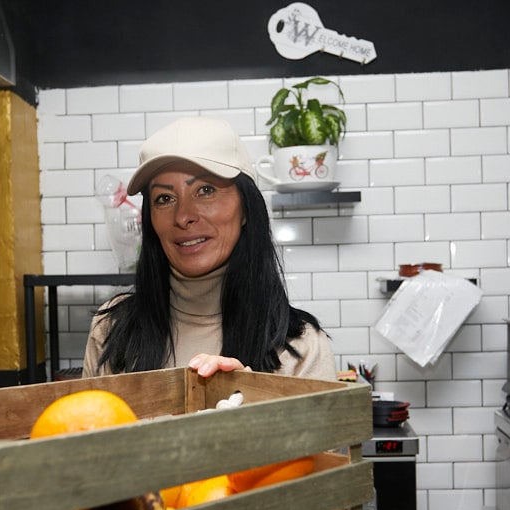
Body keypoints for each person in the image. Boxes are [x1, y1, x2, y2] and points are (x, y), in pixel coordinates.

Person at [82, 116, 335, 381]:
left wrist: (253, 394)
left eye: (205, 190)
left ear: (246, 208)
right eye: (165, 198)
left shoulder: (301, 347)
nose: (183, 216)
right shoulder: (111, 331)